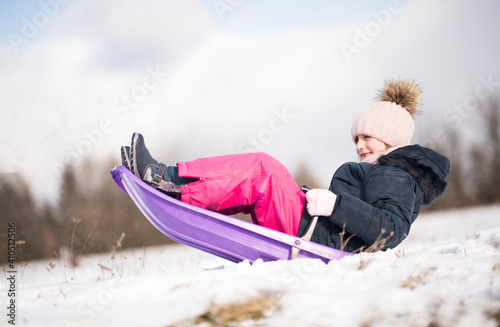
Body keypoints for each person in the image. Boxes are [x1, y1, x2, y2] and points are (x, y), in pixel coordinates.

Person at [120, 79, 450, 253]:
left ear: (392, 139)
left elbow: (390, 230)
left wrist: (336, 205)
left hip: (320, 236)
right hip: (319, 230)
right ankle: (187, 197)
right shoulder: (383, 171)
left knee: (263, 169)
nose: (360, 145)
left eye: (369, 138)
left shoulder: (397, 176)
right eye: (357, 139)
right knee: (254, 181)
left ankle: (165, 180)